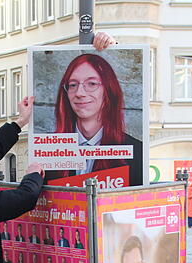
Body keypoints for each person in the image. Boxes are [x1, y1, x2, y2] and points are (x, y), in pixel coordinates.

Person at [45, 46, 143, 186]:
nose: (80, 93)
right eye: (73, 85)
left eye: (91, 84)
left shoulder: (136, 151)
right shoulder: (49, 150)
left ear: (108, 91)